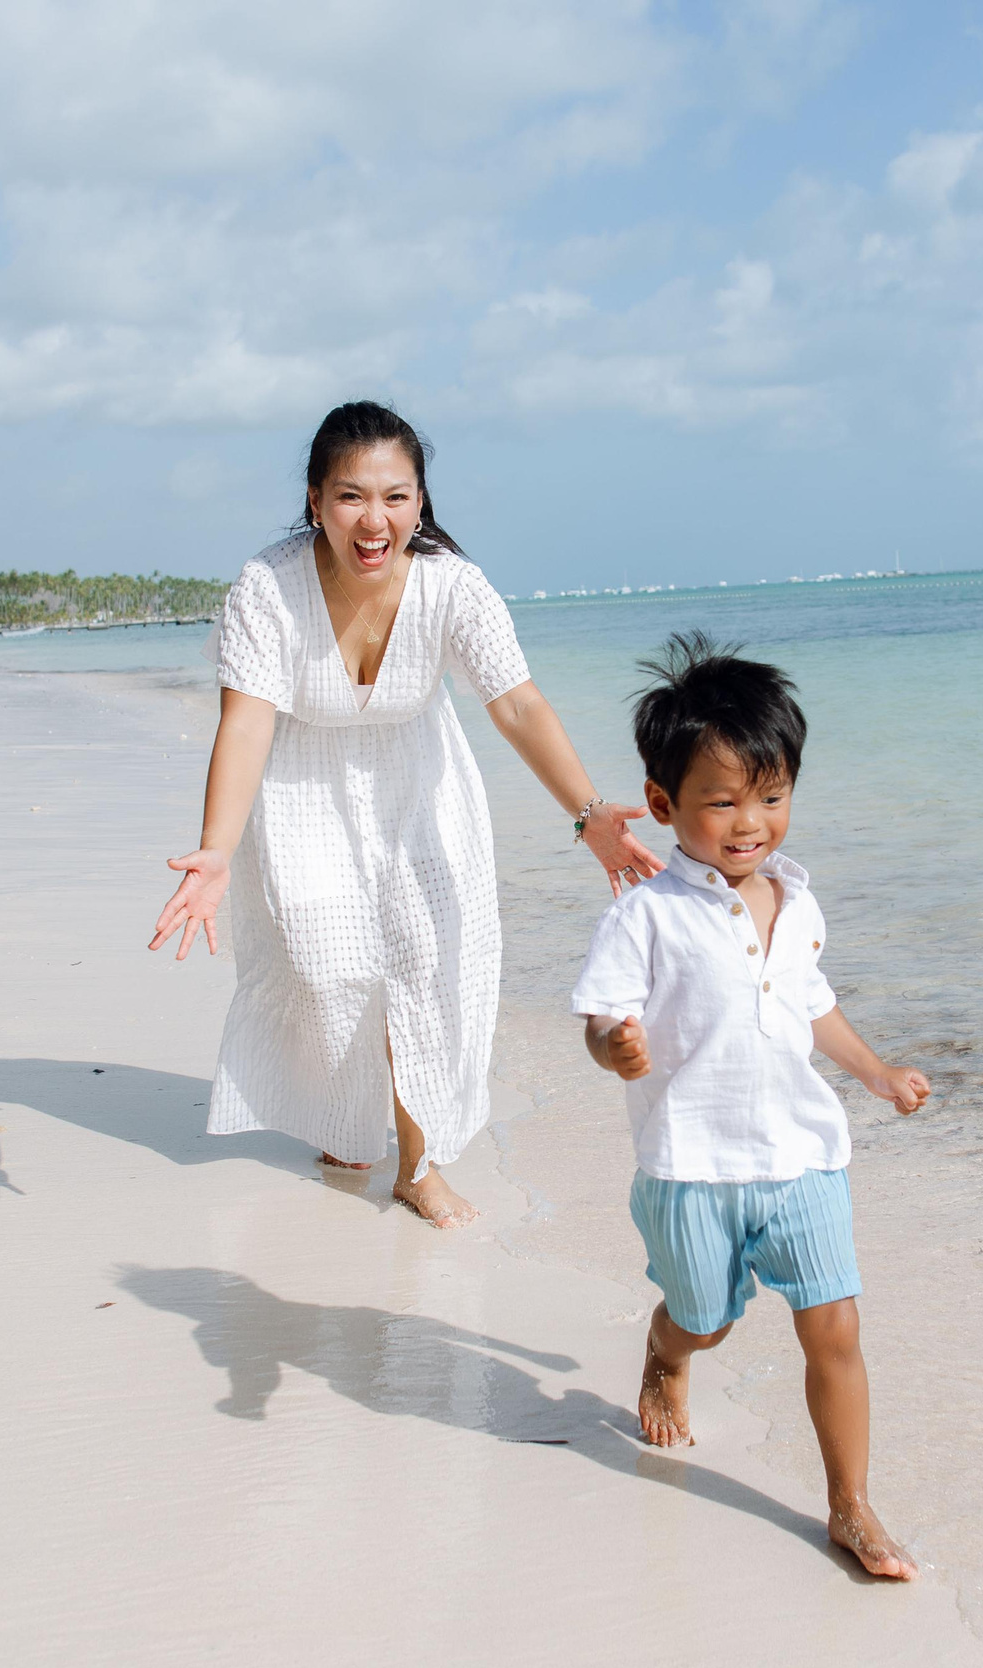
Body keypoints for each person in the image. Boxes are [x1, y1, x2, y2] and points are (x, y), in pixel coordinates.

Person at [151, 401, 661, 1227]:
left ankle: (417, 1164)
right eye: (352, 496)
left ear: (421, 502)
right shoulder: (267, 589)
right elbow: (245, 721)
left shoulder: (453, 586)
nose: (375, 518)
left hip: (421, 785)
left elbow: (518, 705)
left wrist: (590, 813)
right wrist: (216, 850)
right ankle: (348, 1121)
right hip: (300, 791)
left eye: (397, 495)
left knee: (428, 965)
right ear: (316, 500)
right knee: (328, 968)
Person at [570, 633, 931, 1578]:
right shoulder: (645, 912)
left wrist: (879, 1073)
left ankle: (850, 1505)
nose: (749, 823)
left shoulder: (796, 902)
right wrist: (615, 1046)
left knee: (836, 1327)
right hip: (693, 1166)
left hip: (804, 1156)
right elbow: (602, 1018)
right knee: (706, 1316)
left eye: (770, 797)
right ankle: (665, 1348)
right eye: (721, 801)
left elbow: (811, 1003)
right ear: (662, 804)